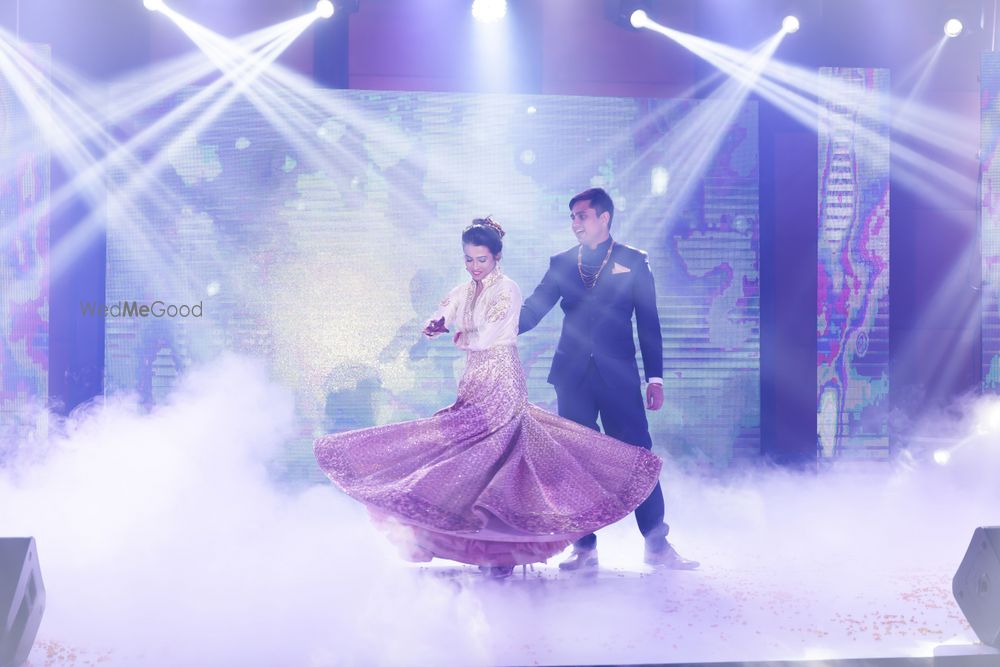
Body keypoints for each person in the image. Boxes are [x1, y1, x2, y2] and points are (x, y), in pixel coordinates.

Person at [314, 217, 663, 578]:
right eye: (468, 259)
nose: (474, 266)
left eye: (481, 259)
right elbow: (447, 310)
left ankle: (513, 552)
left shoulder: (507, 289)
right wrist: (437, 324)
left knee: (495, 454)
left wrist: (462, 336)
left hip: (501, 376)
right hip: (474, 379)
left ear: (497, 257)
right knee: (474, 459)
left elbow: (494, 335)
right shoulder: (466, 289)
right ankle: (490, 550)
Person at [518, 188, 699, 571]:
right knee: (573, 461)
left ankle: (657, 545)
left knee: (637, 457)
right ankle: (584, 548)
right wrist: (489, 325)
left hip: (618, 376)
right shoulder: (562, 263)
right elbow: (533, 310)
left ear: (604, 218)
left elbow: (648, 323)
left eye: (581, 216)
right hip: (572, 376)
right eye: (571, 217)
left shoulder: (634, 261)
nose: (575, 224)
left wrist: (656, 379)